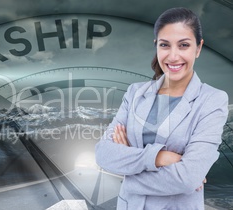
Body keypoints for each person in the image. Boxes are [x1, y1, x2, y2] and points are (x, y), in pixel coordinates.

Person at [95, 7, 228, 210]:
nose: (173, 56)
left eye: (183, 45)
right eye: (165, 45)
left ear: (198, 48)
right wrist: (159, 157)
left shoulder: (212, 100)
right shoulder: (134, 93)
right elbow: (103, 154)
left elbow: (187, 179)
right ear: (157, 46)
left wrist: (126, 170)